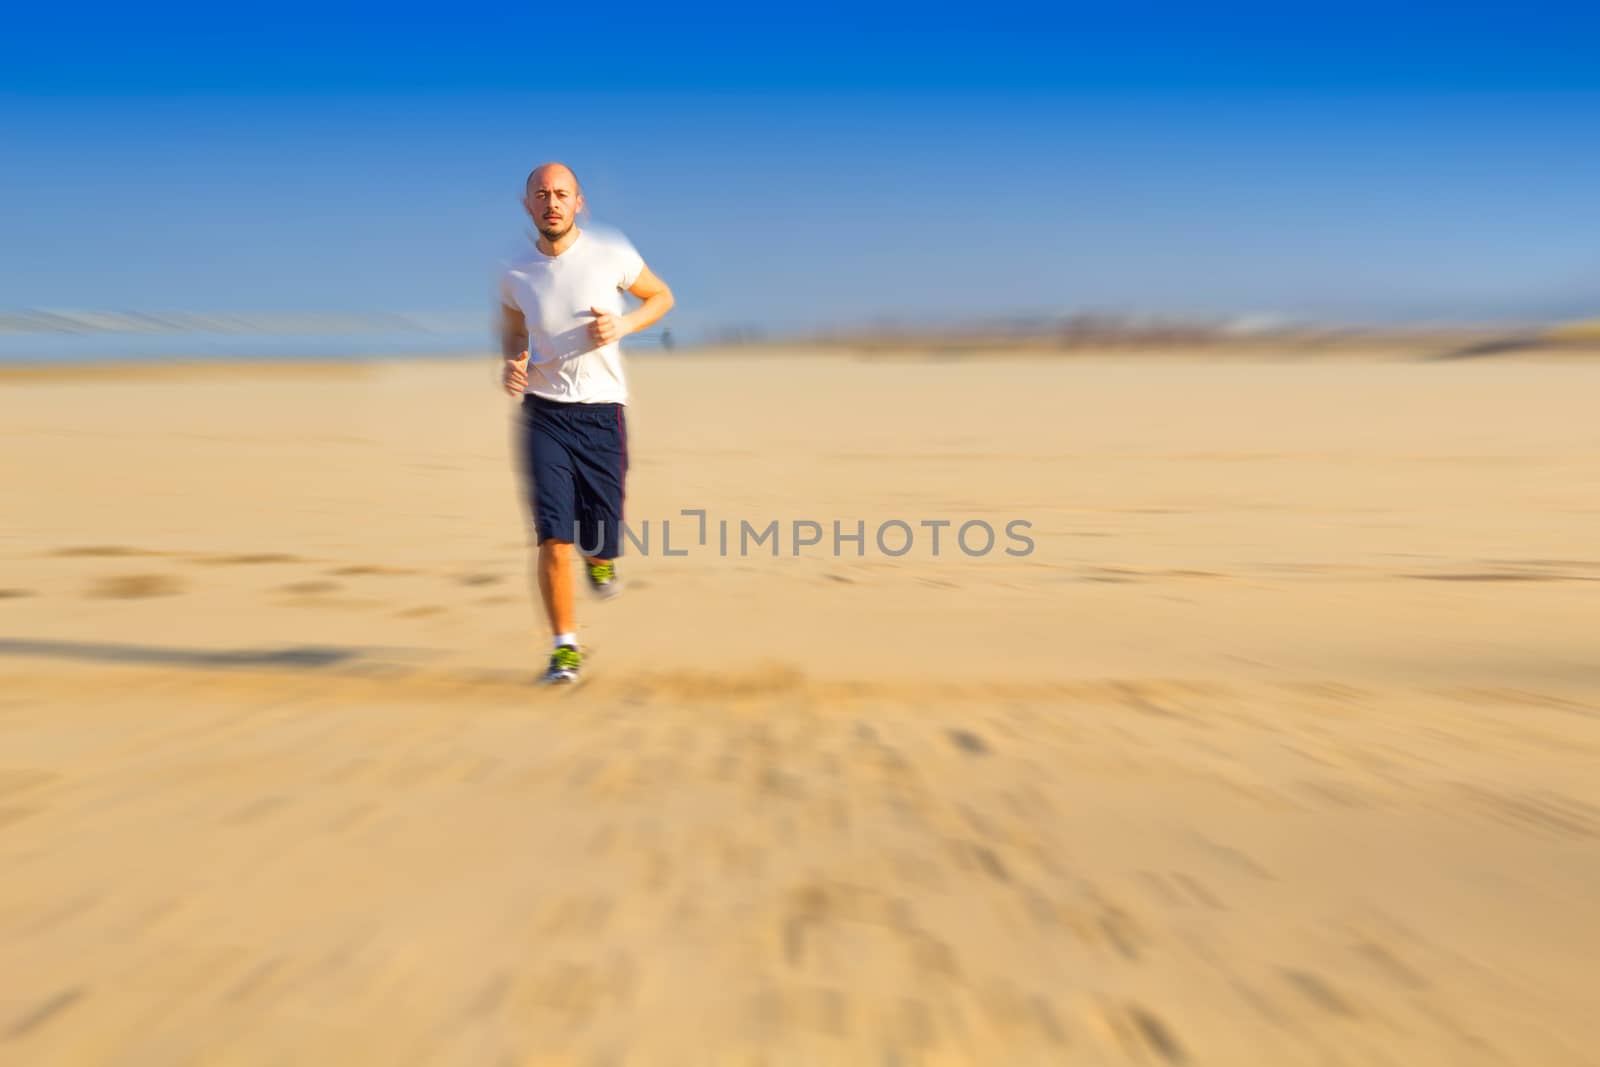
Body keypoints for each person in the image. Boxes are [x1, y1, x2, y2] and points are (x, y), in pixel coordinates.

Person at [498, 162, 674, 684]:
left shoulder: (612, 252)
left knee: (600, 533)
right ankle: (565, 647)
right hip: (543, 414)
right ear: (527, 204)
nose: (552, 202)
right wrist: (514, 362)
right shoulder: (514, 271)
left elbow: (661, 297)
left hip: (602, 413)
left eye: (562, 194)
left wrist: (624, 324)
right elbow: (514, 333)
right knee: (553, 535)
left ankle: (602, 558)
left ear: (580, 204)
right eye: (542, 195)